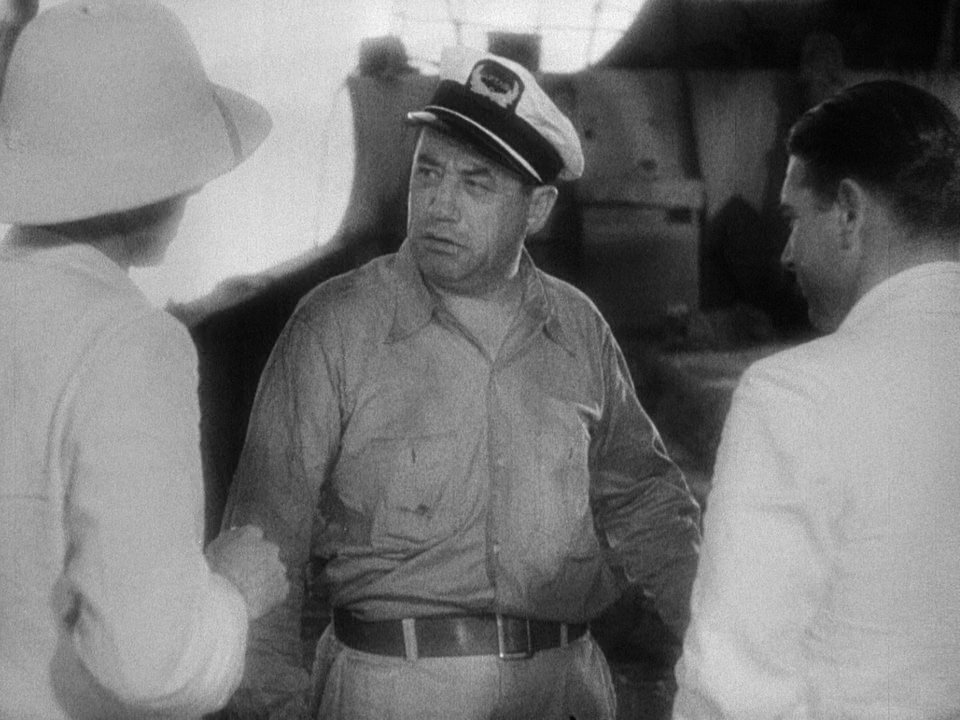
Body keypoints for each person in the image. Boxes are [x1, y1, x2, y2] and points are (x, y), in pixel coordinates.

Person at [223, 46, 701, 720]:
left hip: (564, 689)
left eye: (476, 184)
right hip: (396, 689)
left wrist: (724, 652)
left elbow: (647, 503)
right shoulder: (335, 326)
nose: (440, 206)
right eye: (428, 173)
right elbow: (264, 538)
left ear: (537, 209)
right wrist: (273, 707)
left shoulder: (578, 328)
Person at [0, 1, 289, 717]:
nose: (196, 186)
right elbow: (150, 663)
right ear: (145, 183)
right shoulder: (130, 345)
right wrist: (232, 592)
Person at [673, 79, 960, 719]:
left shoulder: (796, 398)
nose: (786, 253)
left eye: (794, 219)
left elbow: (733, 692)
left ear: (850, 213)